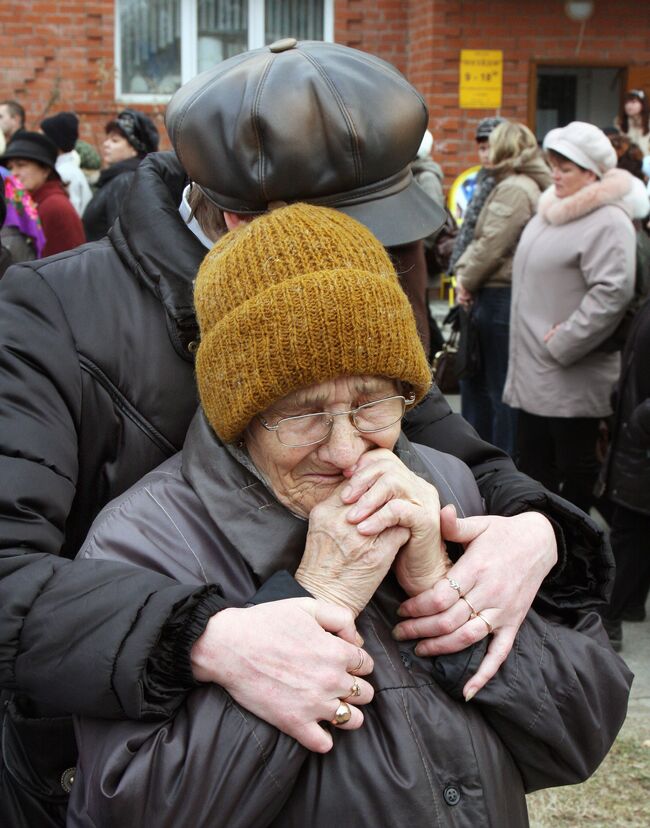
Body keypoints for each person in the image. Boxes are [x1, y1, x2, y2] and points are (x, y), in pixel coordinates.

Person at [0, 42, 612, 827]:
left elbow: (438, 439)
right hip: (111, 744)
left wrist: (534, 530)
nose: (346, 444)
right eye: (354, 230)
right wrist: (203, 635)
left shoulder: (356, 306)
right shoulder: (52, 315)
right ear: (242, 219)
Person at [68, 203, 631, 827]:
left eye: (371, 402)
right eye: (301, 412)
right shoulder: (146, 540)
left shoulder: (447, 486)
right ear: (241, 415)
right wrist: (322, 597)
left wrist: (443, 593)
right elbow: (130, 810)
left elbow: (581, 737)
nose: (344, 451)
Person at [504, 121, 649, 514]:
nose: (555, 174)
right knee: (535, 466)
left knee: (576, 470)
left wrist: (565, 341)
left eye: (566, 168)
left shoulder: (608, 220)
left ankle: (580, 554)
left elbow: (612, 291)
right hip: (535, 369)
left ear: (592, 173)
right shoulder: (551, 210)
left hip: (571, 373)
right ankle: (546, 548)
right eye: (553, 165)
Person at [454, 122, 551, 456]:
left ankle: (495, 461)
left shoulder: (514, 188)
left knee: (494, 389)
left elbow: (490, 244)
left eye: (491, 144)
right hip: (499, 293)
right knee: (491, 386)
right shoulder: (518, 184)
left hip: (497, 296)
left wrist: (465, 279)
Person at [597, 295, 650, 650]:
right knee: (634, 523)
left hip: (641, 436)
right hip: (635, 434)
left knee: (630, 530)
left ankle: (610, 615)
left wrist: (640, 418)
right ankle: (627, 604)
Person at [0, 131, 85, 257]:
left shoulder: (54, 205)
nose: (14, 173)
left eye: (21, 165)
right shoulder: (33, 203)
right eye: (11, 167)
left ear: (45, 170)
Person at [82, 108, 159, 240]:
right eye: (107, 139)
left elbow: (121, 240)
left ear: (134, 149)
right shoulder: (115, 178)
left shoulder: (126, 181)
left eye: (115, 141)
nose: (106, 144)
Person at [447, 116, 506, 275]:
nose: (486, 155)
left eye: (491, 148)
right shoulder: (477, 180)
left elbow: (492, 237)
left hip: (490, 272)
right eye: (482, 148)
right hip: (473, 266)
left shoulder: (506, 182)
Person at [41, 111, 93, 217]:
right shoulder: (63, 168)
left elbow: (71, 213)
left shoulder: (65, 173)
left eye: (43, 138)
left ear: (54, 142)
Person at [616, 88, 650, 157]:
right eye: (626, 102)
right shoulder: (620, 121)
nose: (628, 106)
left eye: (633, 102)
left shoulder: (648, 121)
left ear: (643, 104)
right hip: (627, 161)